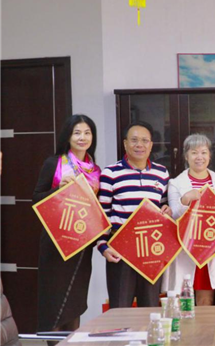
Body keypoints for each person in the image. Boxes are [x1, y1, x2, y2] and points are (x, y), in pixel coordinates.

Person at [33, 114, 101, 332]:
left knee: (75, 301)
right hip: (56, 242)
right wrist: (58, 189)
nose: (82, 137)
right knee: (54, 301)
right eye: (77, 133)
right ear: (68, 136)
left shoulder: (95, 170)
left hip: (82, 243)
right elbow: (36, 199)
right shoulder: (55, 163)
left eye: (87, 133)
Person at [97, 121, 172, 308]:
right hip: (120, 250)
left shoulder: (162, 173)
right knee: (120, 309)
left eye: (145, 140)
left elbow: (164, 207)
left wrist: (168, 210)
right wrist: (103, 246)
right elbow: (101, 214)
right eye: (134, 140)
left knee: (150, 308)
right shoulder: (110, 173)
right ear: (125, 144)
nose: (140, 145)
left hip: (151, 250)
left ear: (151, 145)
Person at [164, 133, 215, 305]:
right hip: (186, 246)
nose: (199, 157)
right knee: (182, 295)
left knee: (206, 297)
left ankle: (202, 325)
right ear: (186, 156)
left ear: (210, 155)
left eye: (203, 152)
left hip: (210, 245)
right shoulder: (176, 183)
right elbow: (174, 216)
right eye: (194, 152)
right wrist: (185, 200)